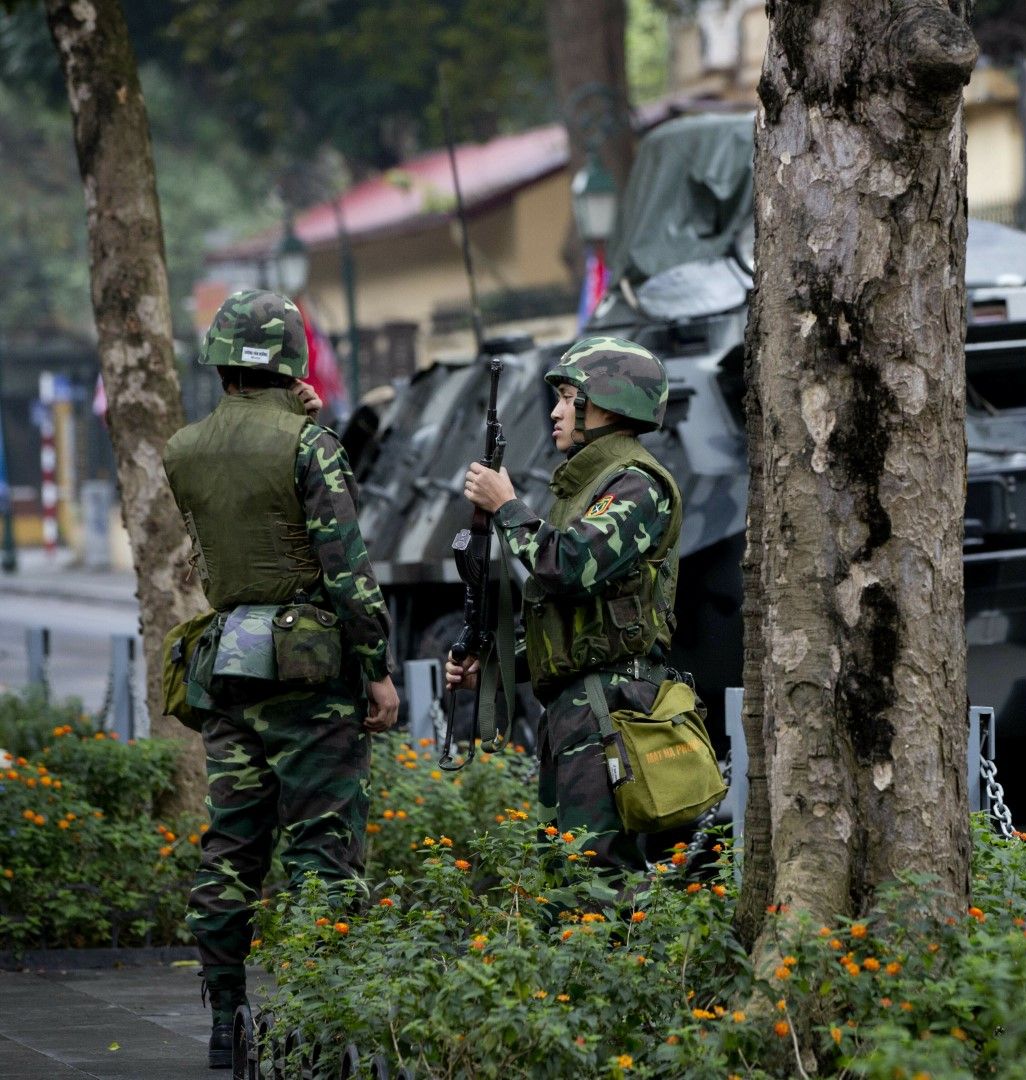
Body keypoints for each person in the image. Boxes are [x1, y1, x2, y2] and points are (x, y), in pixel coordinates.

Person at [164, 290, 399, 1067]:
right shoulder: (310, 445)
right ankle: (320, 1023)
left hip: (229, 665)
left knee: (232, 847)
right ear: (294, 359)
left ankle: (225, 1019)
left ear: (222, 362)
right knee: (322, 850)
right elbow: (347, 573)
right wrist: (377, 671)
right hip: (310, 675)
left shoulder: (182, 449)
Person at [446, 336, 681, 877]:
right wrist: (500, 668)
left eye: (569, 397)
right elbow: (574, 625)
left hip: (611, 707)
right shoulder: (588, 487)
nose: (555, 411)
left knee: (595, 869)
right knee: (566, 867)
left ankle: (614, 962)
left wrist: (507, 507)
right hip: (581, 707)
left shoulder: (636, 486)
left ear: (607, 404)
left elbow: (569, 564)